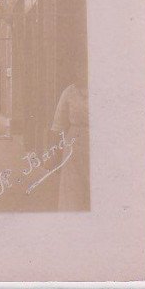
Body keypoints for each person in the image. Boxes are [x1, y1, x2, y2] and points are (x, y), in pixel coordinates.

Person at [50, 63, 90, 211]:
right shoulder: (69, 92)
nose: (83, 73)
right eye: (80, 69)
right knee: (72, 187)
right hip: (74, 143)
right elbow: (58, 125)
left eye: (85, 69)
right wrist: (55, 155)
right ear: (76, 71)